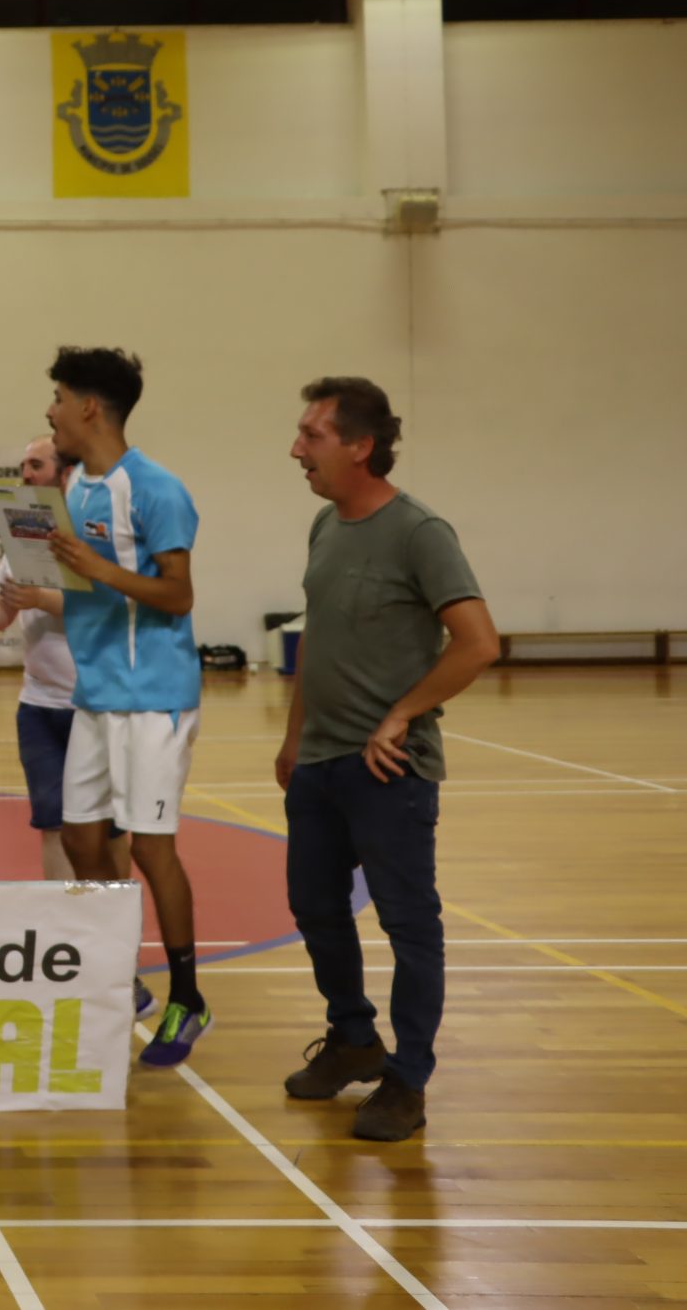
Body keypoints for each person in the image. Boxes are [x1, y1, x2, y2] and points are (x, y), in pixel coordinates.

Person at [278, 376, 497, 1142]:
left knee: (409, 922)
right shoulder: (323, 525)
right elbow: (317, 641)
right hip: (318, 763)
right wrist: (292, 735)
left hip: (389, 773)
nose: (297, 448)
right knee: (314, 907)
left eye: (312, 435)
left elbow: (478, 643)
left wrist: (402, 713)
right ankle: (353, 1038)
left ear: (360, 446)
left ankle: (408, 1078)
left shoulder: (419, 531)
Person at [44, 346, 208, 1067]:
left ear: (89, 407)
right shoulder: (76, 487)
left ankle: (187, 993)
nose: (47, 411)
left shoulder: (158, 488)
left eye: (56, 398)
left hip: (154, 696)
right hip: (96, 691)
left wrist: (104, 569)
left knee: (148, 846)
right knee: (79, 837)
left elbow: (179, 594)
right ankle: (121, 969)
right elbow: (83, 586)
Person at [0, 437, 139, 886]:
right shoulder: (22, 541)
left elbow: (110, 608)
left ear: (66, 475)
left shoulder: (96, 534)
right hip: (40, 705)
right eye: (23, 466)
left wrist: (43, 598)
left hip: (98, 703)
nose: (25, 475)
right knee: (52, 824)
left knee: (108, 830)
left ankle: (115, 920)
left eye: (35, 465)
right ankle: (63, 928)